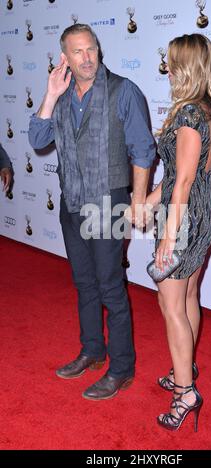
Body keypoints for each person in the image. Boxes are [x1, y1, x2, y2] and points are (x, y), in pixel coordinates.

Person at [28, 23, 155, 400]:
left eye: (92, 49)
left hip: (109, 202)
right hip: (72, 205)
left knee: (111, 288)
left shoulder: (123, 91)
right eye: (78, 52)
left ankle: (121, 367)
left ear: (98, 50)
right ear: (64, 58)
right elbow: (37, 140)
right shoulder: (63, 97)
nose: (87, 58)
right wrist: (50, 96)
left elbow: (143, 149)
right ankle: (92, 350)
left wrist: (138, 199)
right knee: (84, 284)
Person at [145, 34, 211, 430]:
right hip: (202, 212)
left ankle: (185, 392)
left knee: (170, 305)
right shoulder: (209, 109)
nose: (168, 68)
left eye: (173, 62)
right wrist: (147, 199)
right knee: (189, 294)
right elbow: (184, 175)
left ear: (189, 68)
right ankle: (185, 370)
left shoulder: (188, 115)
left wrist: (167, 238)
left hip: (184, 220)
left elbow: (182, 183)